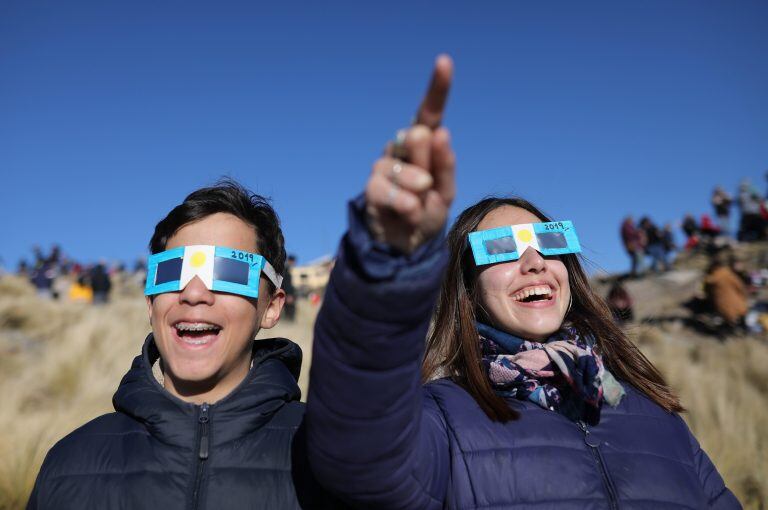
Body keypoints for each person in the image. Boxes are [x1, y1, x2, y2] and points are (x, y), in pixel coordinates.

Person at [307, 55, 740, 509]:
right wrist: (382, 262)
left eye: (549, 242)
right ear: (467, 289)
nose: (534, 261)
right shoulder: (438, 422)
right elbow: (357, 456)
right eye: (500, 249)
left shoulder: (658, 417)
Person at [28, 180, 337, 509]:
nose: (193, 293)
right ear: (151, 303)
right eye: (172, 272)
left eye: (230, 271)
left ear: (272, 306)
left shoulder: (333, 458)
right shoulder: (68, 465)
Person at [704, 250, 749, 333]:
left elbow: (707, 293)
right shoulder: (728, 274)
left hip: (724, 311)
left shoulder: (710, 278)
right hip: (740, 307)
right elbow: (741, 287)